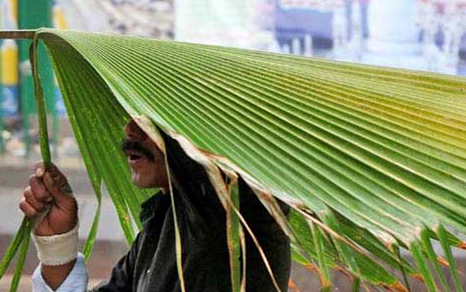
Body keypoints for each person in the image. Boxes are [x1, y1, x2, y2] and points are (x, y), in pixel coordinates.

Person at [20, 119, 291, 291]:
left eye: (151, 118)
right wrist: (57, 243)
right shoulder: (161, 224)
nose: (130, 130)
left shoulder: (240, 214)